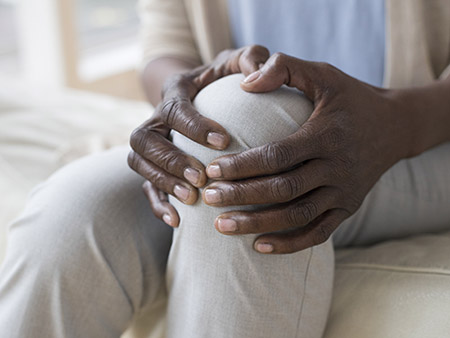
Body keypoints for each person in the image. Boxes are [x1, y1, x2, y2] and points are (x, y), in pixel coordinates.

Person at [0, 0, 449, 337]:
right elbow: (164, 47)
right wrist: (179, 105)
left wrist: (398, 118)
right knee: (74, 214)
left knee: (246, 124)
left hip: (425, 140)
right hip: (233, 138)